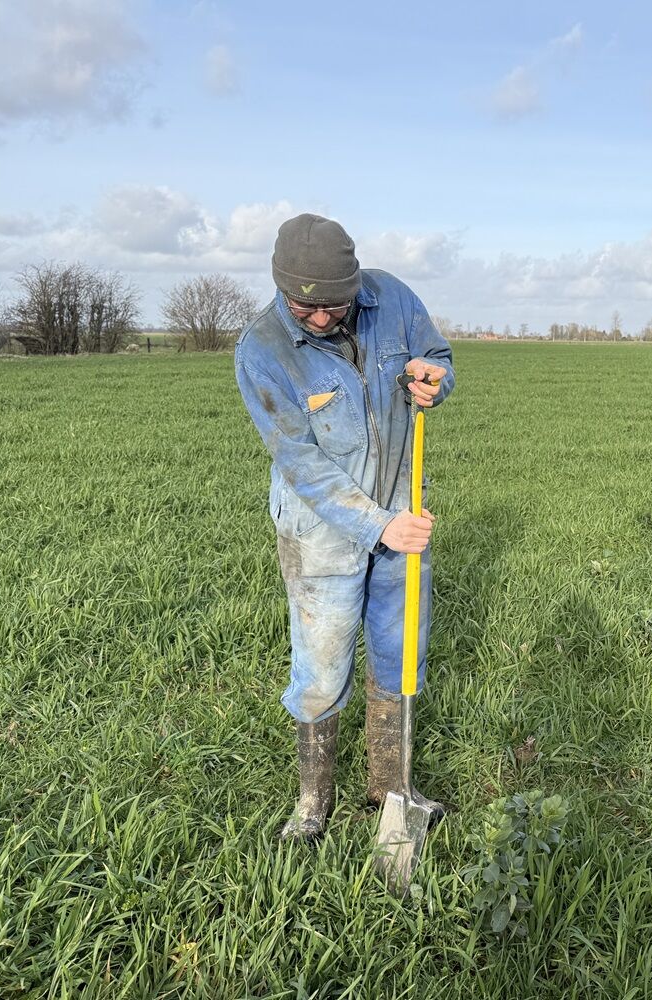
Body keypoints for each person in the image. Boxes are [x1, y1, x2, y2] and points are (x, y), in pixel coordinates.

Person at [235, 213, 454, 840]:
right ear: (282, 287)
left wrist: (435, 382)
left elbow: (436, 358)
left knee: (401, 655)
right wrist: (377, 525)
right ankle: (312, 807)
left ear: (355, 282)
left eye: (335, 304)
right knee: (324, 666)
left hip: (402, 516)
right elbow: (300, 460)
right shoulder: (263, 350)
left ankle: (392, 793)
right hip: (321, 532)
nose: (324, 318)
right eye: (308, 309)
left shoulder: (393, 298)